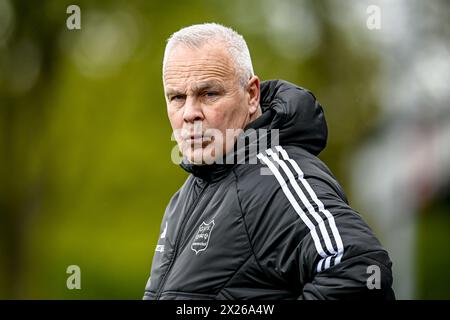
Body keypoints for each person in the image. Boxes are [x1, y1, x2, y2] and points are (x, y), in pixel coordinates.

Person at [143, 23, 395, 300]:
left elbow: (361, 269)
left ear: (252, 95)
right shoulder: (186, 196)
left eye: (209, 94)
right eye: (177, 97)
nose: (190, 113)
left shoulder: (275, 176)